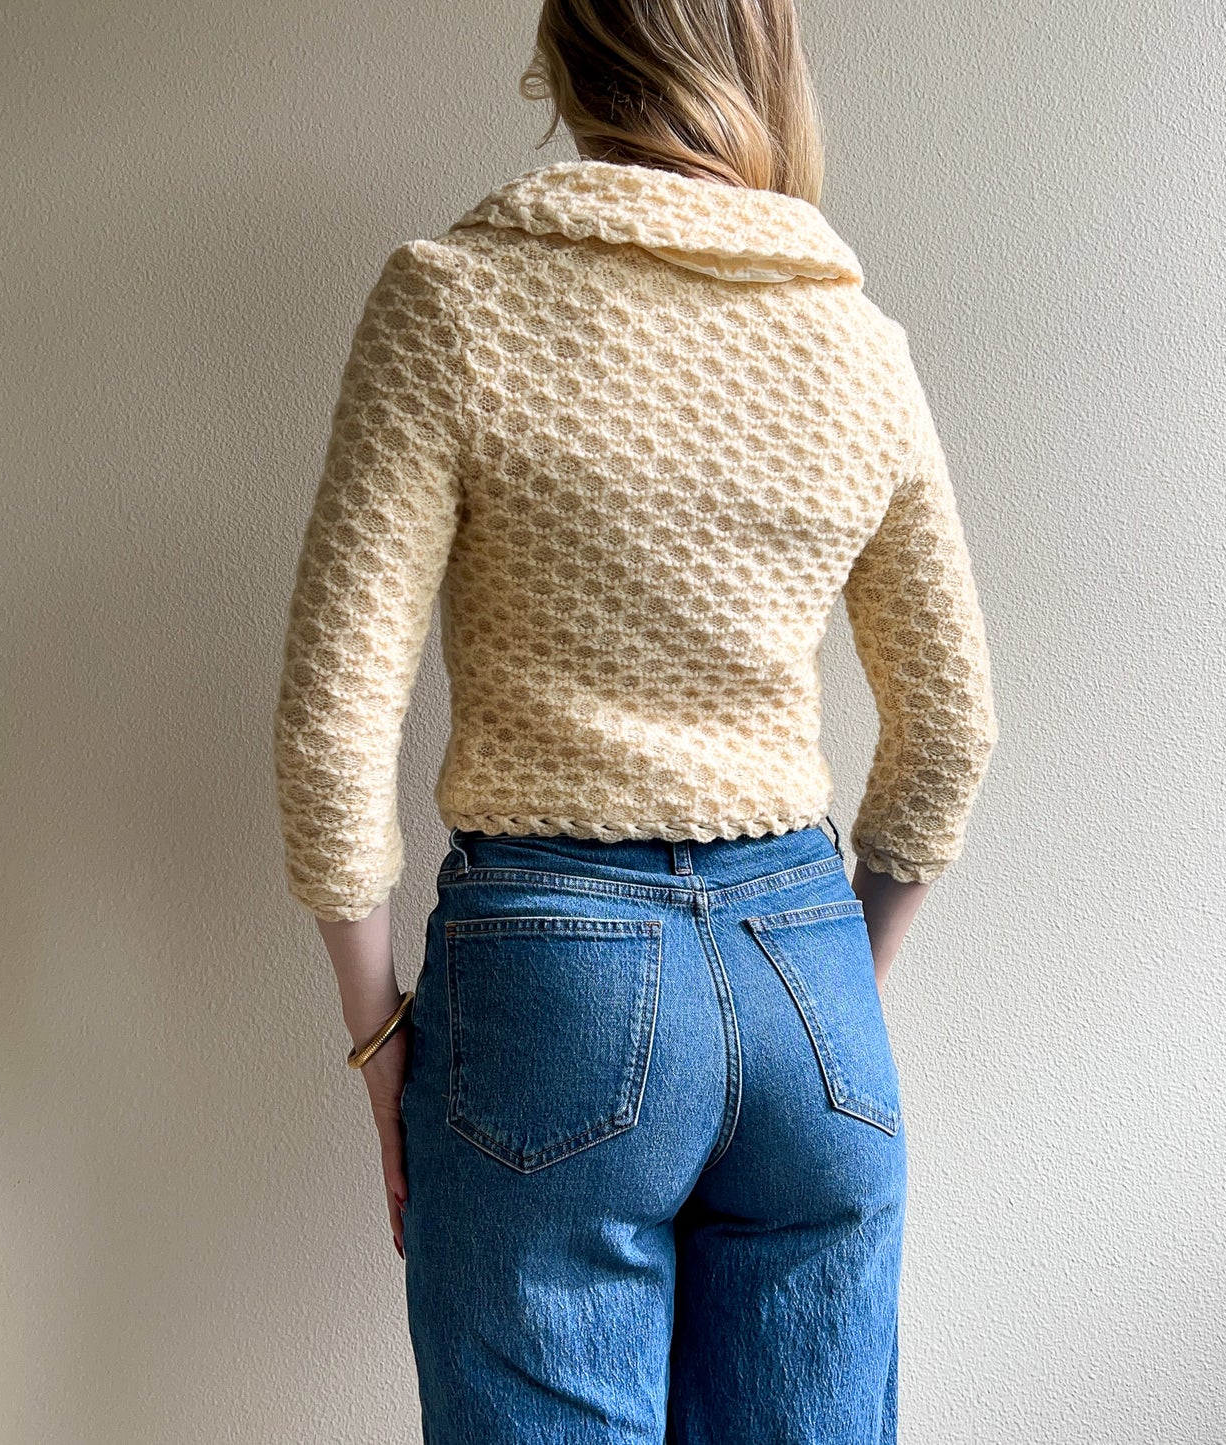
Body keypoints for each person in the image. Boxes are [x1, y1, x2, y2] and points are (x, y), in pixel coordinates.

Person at [271, 1, 998, 1438]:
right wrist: (832, 983)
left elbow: (330, 729)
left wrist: (377, 1043)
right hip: (807, 969)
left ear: (561, 61)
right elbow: (953, 727)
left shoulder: (455, 300)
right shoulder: (858, 343)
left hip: (549, 975)